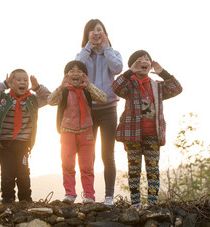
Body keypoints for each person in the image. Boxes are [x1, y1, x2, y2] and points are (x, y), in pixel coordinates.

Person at [112, 50, 182, 208]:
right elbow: (115, 87)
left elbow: (177, 88)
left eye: (147, 59)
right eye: (139, 60)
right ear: (132, 66)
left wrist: (163, 72)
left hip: (153, 134)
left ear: (151, 65)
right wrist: (130, 72)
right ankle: (136, 203)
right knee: (134, 168)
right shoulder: (129, 85)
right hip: (133, 134)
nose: (144, 61)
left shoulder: (157, 86)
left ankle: (152, 203)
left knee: (153, 169)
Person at [0, 69, 50, 204]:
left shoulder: (32, 100)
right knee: (7, 173)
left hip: (23, 144)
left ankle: (25, 199)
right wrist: (4, 85)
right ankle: (8, 199)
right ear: (11, 83)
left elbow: (50, 98)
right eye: (18, 79)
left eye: (25, 80)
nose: (22, 82)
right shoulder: (4, 99)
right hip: (5, 144)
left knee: (23, 173)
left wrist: (38, 88)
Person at [75, 19, 123, 205]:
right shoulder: (83, 54)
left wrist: (106, 46)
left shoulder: (113, 53)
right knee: (89, 154)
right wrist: (88, 48)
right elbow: (77, 68)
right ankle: (89, 194)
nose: (96, 33)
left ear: (105, 33)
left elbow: (117, 68)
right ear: (87, 35)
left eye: (99, 30)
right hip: (88, 109)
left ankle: (109, 196)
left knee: (107, 154)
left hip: (109, 108)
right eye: (92, 31)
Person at [48, 60, 106, 204]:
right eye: (71, 71)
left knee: (87, 166)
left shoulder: (88, 90)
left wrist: (89, 86)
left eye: (79, 71)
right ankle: (70, 194)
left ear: (84, 75)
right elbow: (50, 100)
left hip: (86, 132)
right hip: (67, 132)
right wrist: (61, 87)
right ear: (66, 75)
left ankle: (89, 195)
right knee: (67, 164)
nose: (75, 73)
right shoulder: (64, 91)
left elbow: (103, 98)